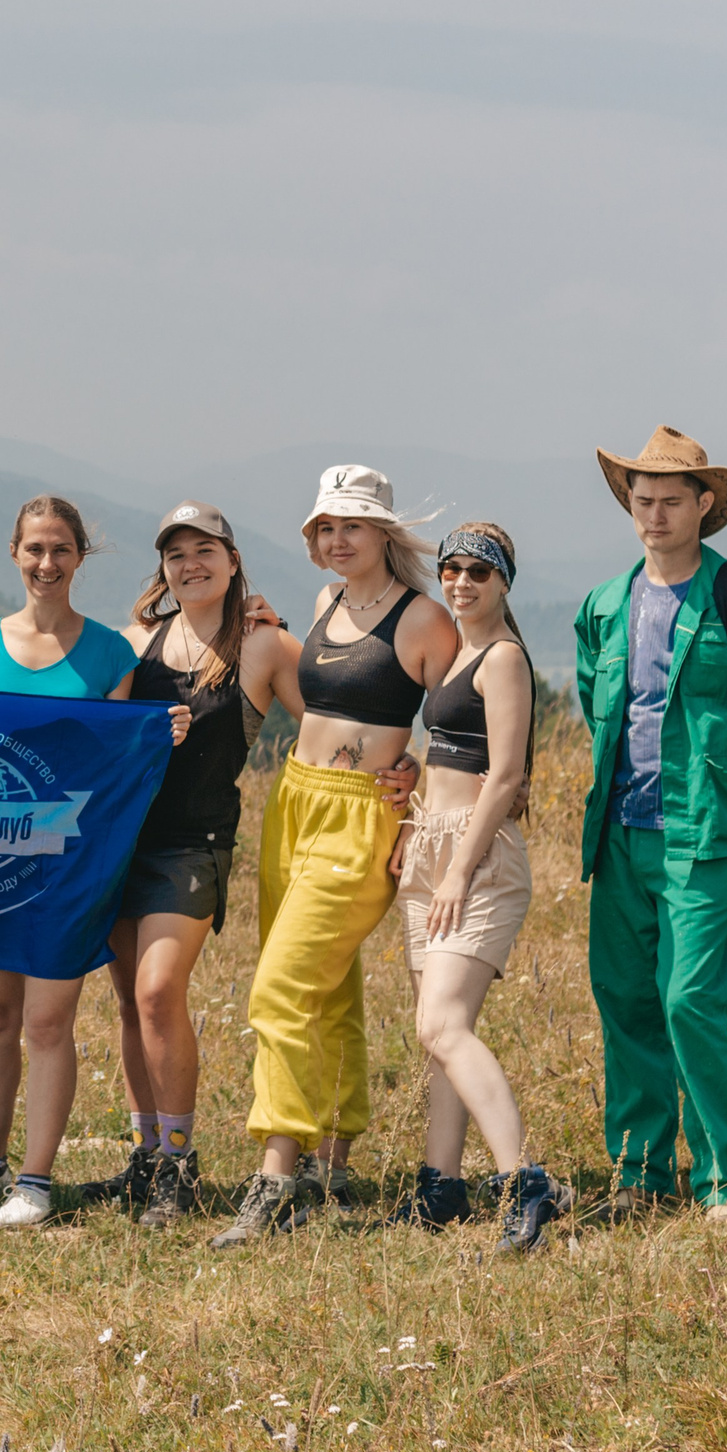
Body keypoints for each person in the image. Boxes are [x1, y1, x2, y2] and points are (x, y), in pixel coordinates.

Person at [213, 465, 458, 1250]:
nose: (338, 537)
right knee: (330, 988)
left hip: (361, 820)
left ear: (385, 533)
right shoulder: (325, 604)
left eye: (353, 524)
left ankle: (277, 1178)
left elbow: (462, 722)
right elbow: (313, 692)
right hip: (295, 802)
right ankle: (334, 1159)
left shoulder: (424, 620)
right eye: (326, 526)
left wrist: (417, 772)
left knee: (280, 989)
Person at [0, 496, 179, 1230]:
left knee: (46, 1022)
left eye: (60, 550)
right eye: (34, 549)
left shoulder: (109, 654)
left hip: (68, 862)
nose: (46, 563)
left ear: (80, 557)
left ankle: (35, 1181)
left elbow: (119, 759)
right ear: (14, 554)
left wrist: (161, 734)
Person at [576, 428, 727, 1225]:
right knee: (625, 998)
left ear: (704, 505)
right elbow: (592, 700)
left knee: (688, 1003)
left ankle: (721, 1179)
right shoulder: (605, 604)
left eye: (671, 500)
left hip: (704, 834)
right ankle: (641, 1172)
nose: (654, 515)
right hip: (618, 832)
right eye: (642, 501)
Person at [69, 504, 307, 1230]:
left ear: (234, 560)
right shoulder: (138, 639)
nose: (190, 565)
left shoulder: (263, 644)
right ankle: (144, 1157)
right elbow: (75, 709)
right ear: (163, 569)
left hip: (194, 842)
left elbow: (332, 723)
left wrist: (397, 767)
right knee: (126, 1001)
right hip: (119, 842)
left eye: (205, 550)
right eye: (176, 554)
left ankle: (178, 1163)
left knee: (157, 992)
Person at [384, 522, 564, 1250]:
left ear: (503, 584)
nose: (460, 582)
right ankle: (441, 1186)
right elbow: (453, 756)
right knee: (436, 1030)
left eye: (478, 573)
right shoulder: (459, 655)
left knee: (443, 1025)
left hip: (477, 862)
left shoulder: (505, 659)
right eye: (451, 569)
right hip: (431, 848)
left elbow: (508, 777)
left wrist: (459, 867)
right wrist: (411, 797)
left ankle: (529, 1183)